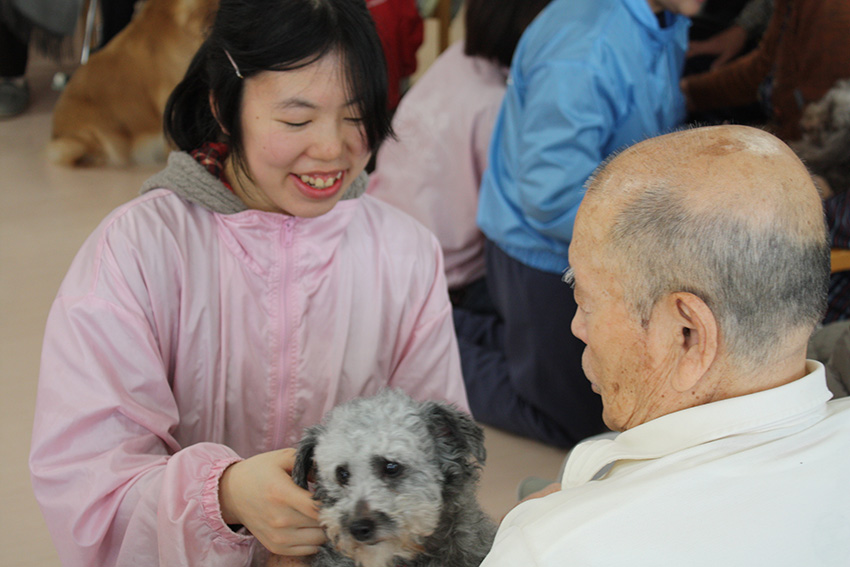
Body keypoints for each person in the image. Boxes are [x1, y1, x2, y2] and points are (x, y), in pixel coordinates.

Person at [28, 1, 468, 565]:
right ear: (224, 104)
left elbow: (440, 455)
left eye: (356, 116)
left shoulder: (405, 252)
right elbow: (90, 488)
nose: (331, 149)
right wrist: (226, 495)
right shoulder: (138, 250)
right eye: (297, 120)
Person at [480, 125, 850, 566]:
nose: (577, 326)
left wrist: (538, 532)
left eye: (585, 299)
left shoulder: (554, 550)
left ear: (686, 335)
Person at [454, 0, 700, 449]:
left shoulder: (664, 18)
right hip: (544, 250)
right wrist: (656, 247)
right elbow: (550, 196)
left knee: (596, 382)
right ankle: (420, 352)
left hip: (601, 236)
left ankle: (457, 330)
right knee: (579, 424)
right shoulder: (584, 48)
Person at [367, 0, 552, 313]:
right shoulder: (496, 107)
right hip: (443, 276)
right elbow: (518, 211)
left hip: (383, 237)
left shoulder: (455, 59)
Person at [681, 0, 850, 142]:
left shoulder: (834, 15)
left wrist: (745, 141)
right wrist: (692, 92)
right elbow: (766, 67)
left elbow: (815, 131)